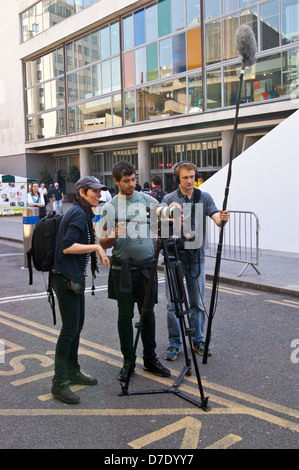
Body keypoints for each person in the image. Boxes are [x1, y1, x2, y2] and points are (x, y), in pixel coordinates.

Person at [99, 160, 170, 383]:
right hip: (123, 269)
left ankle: (150, 359)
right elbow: (102, 242)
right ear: (116, 181)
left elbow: (167, 218)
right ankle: (128, 362)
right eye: (127, 181)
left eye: (134, 180)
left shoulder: (147, 200)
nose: (132, 184)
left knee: (147, 314)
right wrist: (113, 235)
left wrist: (173, 213)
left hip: (147, 267)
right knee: (125, 315)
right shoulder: (109, 207)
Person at [51, 176, 110, 404]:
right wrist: (96, 247)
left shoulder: (84, 212)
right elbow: (68, 247)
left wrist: (100, 244)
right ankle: (59, 383)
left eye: (99, 191)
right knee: (69, 330)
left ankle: (73, 371)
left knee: (76, 327)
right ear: (82, 192)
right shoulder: (77, 213)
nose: (98, 195)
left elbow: (86, 239)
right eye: (94, 191)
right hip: (64, 279)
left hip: (74, 278)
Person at [162, 162, 229, 361]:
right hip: (175, 257)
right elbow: (164, 229)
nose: (190, 181)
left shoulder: (204, 197)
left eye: (192, 176)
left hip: (196, 258)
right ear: (178, 179)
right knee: (172, 304)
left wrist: (222, 219)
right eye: (185, 177)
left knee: (197, 303)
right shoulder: (168, 199)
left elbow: (216, 218)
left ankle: (198, 340)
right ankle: (175, 343)